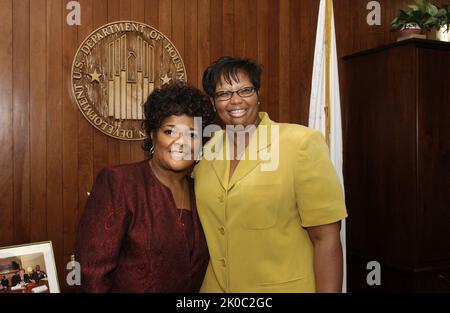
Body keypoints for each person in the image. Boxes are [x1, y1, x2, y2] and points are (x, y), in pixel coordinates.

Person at [194, 56, 348, 292]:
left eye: (245, 90)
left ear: (258, 94)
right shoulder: (205, 149)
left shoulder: (300, 143)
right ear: (214, 103)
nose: (236, 100)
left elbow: (326, 239)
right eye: (224, 94)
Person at [75, 81, 215, 292]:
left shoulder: (200, 191)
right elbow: (90, 273)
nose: (181, 142)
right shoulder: (120, 183)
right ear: (152, 135)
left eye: (192, 135)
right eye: (170, 132)